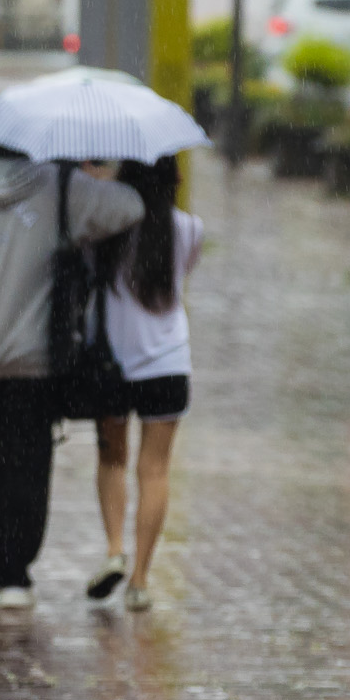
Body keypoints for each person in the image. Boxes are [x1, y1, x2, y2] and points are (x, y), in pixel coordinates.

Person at [0, 141, 142, 610]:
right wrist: (86, 181)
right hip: (32, 361)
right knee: (25, 465)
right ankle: (14, 576)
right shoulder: (59, 190)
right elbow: (130, 207)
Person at [83, 155, 200, 613]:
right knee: (155, 470)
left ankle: (115, 550)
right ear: (173, 180)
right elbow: (178, 276)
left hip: (113, 363)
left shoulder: (107, 229)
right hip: (168, 363)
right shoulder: (189, 229)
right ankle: (140, 580)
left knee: (112, 459)